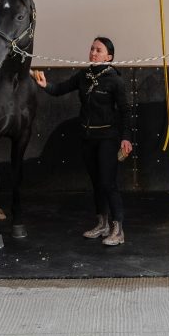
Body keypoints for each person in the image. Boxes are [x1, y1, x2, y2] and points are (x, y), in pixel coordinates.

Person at [30, 37, 133, 246]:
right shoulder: (83, 75)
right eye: (92, 49)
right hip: (88, 138)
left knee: (108, 183)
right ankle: (102, 224)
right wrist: (44, 85)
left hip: (108, 138)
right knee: (96, 183)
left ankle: (118, 230)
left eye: (99, 50)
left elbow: (125, 112)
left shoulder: (115, 80)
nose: (93, 53)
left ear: (109, 57)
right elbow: (59, 89)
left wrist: (126, 138)